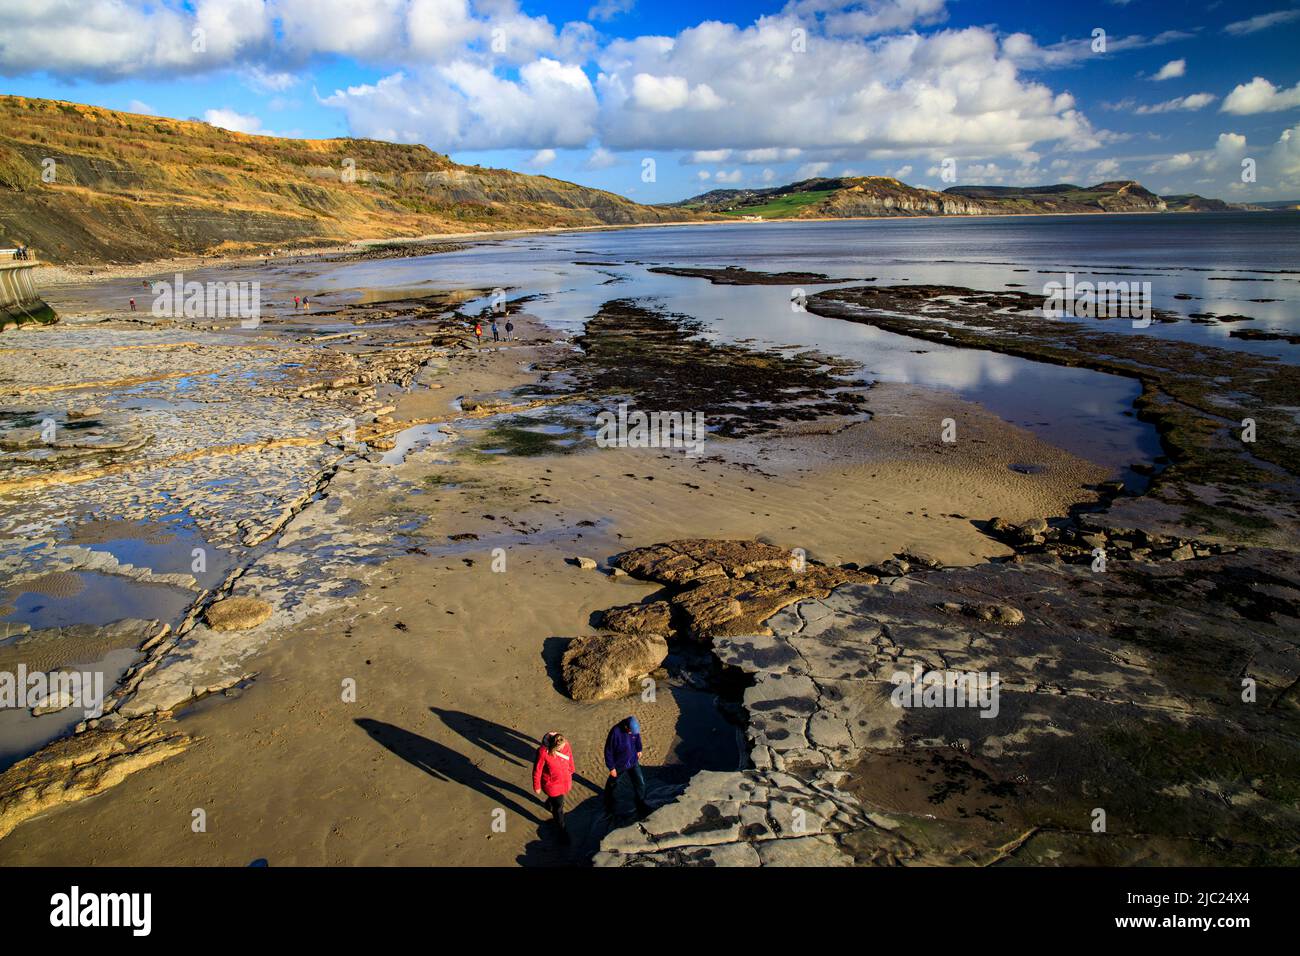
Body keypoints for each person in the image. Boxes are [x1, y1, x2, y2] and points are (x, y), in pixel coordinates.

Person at [532, 731, 575, 842]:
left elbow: (570, 757)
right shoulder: (543, 752)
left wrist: (571, 769)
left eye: (564, 745)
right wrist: (537, 786)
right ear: (555, 747)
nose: (564, 747)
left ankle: (548, 803)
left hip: (565, 780)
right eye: (561, 747)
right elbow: (538, 770)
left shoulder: (565, 744)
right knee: (559, 809)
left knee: (556, 802)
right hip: (552, 785)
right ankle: (562, 832)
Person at [603, 716, 649, 816]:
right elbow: (608, 751)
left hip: (633, 761)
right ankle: (608, 803)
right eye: (630, 732)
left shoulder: (634, 731)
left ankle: (640, 802)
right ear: (626, 727)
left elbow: (637, 737)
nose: (631, 733)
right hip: (619, 764)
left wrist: (639, 749)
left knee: (640, 782)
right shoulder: (615, 732)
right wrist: (611, 767)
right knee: (612, 784)